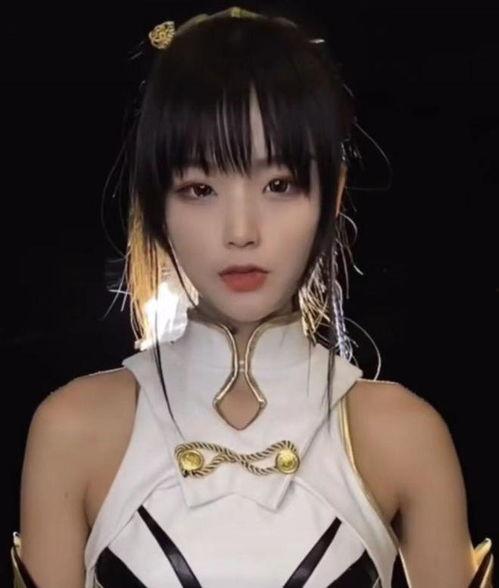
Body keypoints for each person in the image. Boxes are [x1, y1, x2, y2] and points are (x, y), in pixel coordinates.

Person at [10, 6, 493, 587]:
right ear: (156, 200)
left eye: (278, 184)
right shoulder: (73, 431)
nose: (241, 231)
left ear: (333, 192)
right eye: (200, 188)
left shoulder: (405, 436)